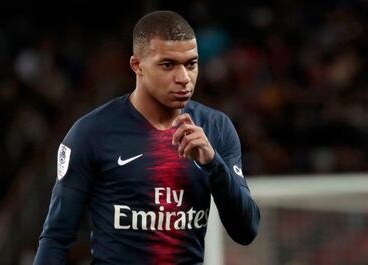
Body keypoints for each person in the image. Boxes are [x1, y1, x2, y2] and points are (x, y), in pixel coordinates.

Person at [33, 10, 260, 265]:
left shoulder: (216, 128)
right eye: (168, 64)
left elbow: (246, 231)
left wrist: (212, 163)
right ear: (137, 66)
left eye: (191, 64)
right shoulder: (91, 133)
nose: (184, 78)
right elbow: (56, 238)